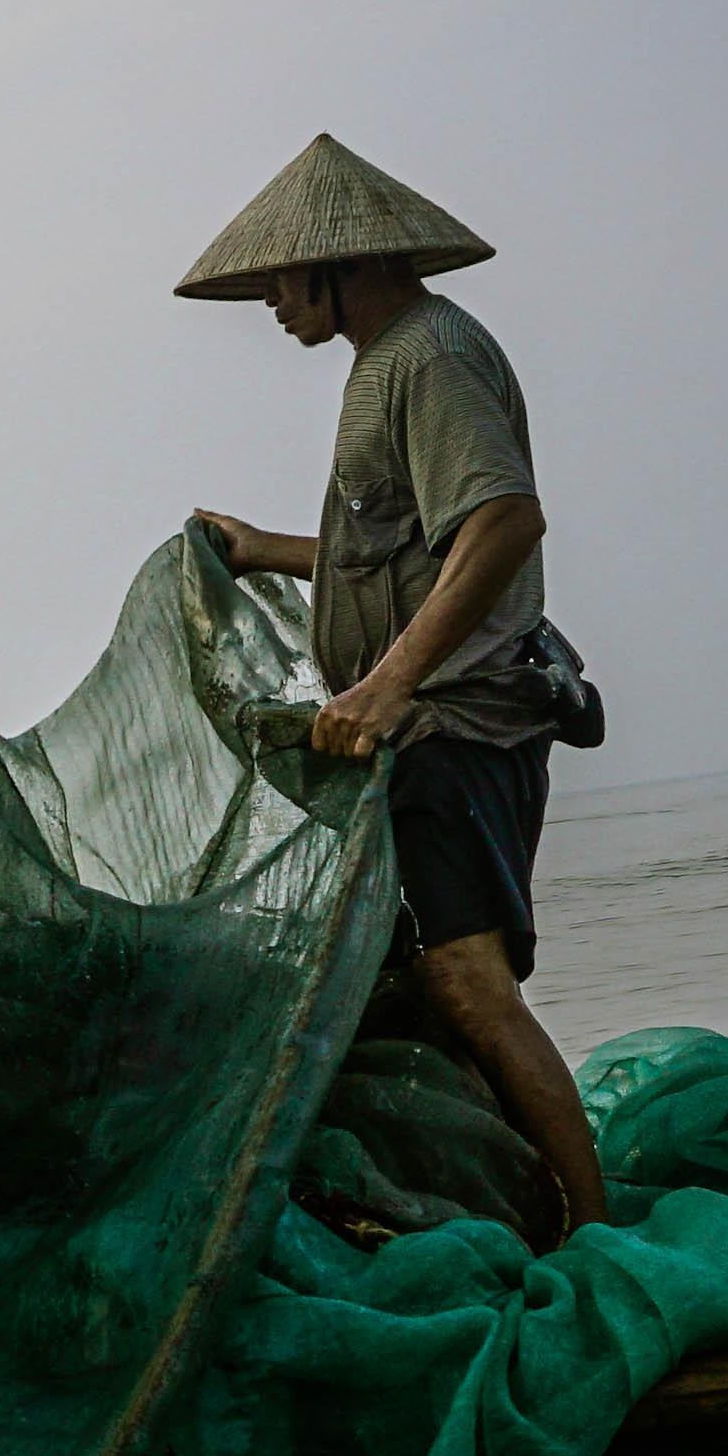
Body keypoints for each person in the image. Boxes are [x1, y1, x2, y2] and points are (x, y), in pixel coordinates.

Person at [181, 133, 607, 1238]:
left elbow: (503, 520)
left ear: (344, 263)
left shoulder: (425, 355)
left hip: (455, 722)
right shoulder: (384, 363)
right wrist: (258, 548)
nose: (271, 301)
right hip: (439, 722)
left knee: (467, 986)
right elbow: (402, 553)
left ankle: (597, 1232)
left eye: (282, 277)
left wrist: (381, 688)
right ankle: (525, 1210)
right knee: (425, 992)